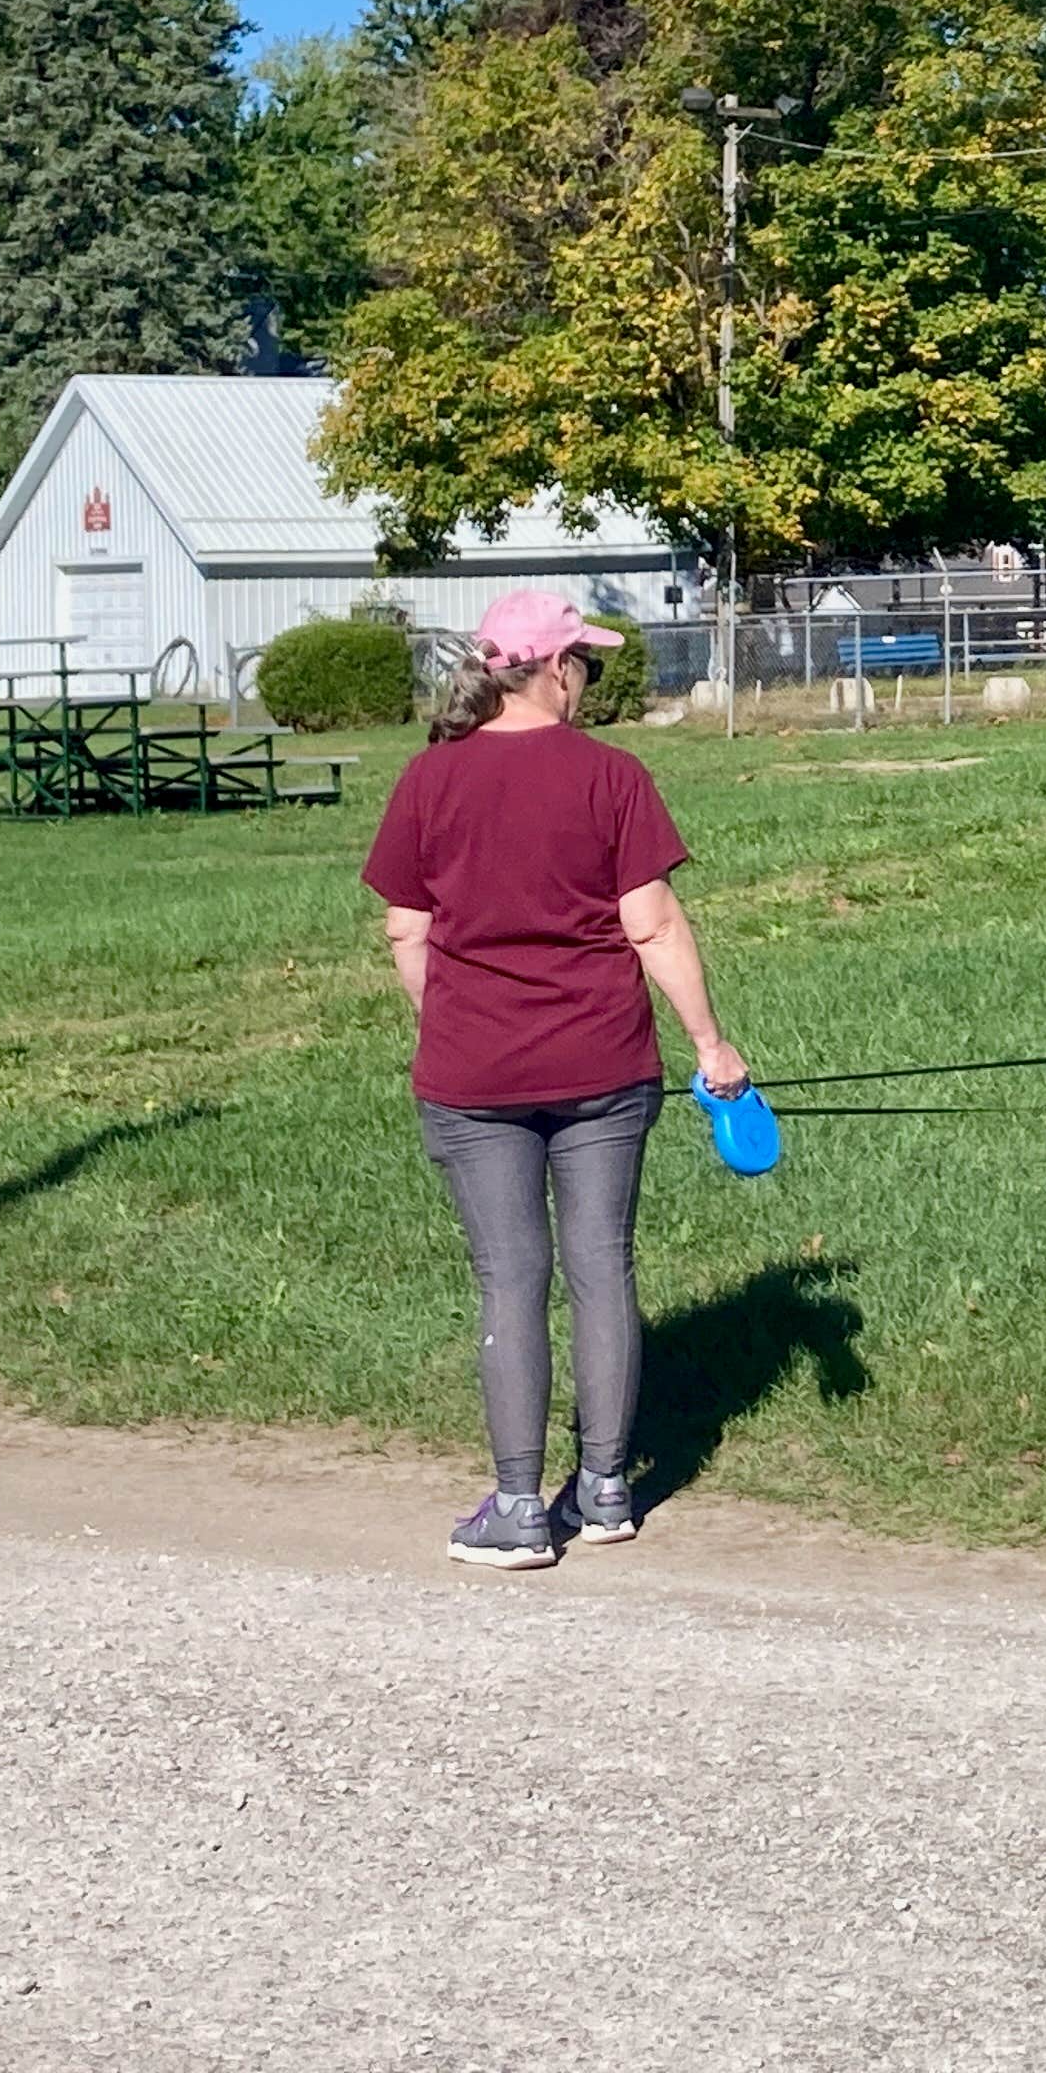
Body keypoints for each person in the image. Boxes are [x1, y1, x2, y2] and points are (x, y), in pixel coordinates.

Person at [360, 591, 748, 1569]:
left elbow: (408, 931)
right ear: (554, 668)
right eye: (587, 665)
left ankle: (518, 1507)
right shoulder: (611, 776)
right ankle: (610, 1489)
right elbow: (652, 925)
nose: (588, 682)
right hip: (607, 1065)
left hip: (473, 1073)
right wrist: (712, 1047)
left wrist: (452, 1020)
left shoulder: (428, 782)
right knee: (601, 1265)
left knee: (511, 1278)